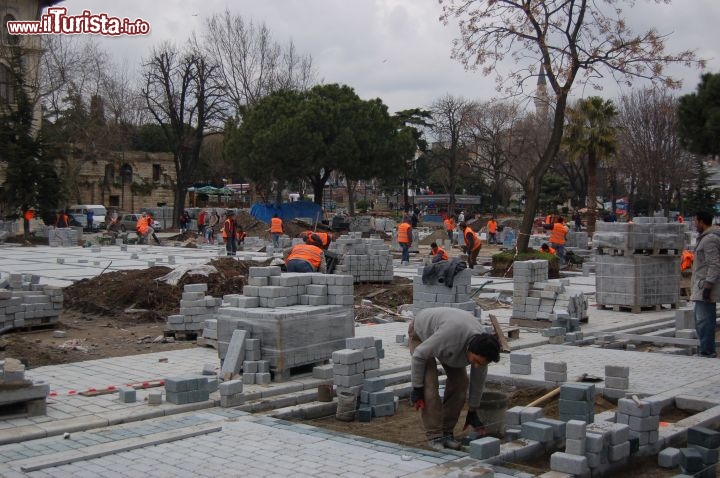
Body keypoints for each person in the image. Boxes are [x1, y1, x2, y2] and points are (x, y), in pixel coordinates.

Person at [408, 307, 501, 451]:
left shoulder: (483, 349)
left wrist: (473, 410)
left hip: (448, 336)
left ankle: (446, 433)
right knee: (430, 389)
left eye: (481, 363)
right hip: (421, 334)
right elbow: (419, 355)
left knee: (460, 384)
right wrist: (417, 388)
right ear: (469, 350)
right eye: (475, 361)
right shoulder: (450, 338)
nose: (476, 366)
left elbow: (478, 380)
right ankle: (434, 436)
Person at [691, 211, 720, 358]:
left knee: (704, 321)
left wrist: (708, 287)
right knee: (702, 320)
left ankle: (707, 352)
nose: (694, 224)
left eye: (695, 221)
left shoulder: (709, 239)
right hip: (702, 285)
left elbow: (714, 264)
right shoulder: (706, 238)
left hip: (705, 287)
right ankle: (705, 350)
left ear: (702, 221)